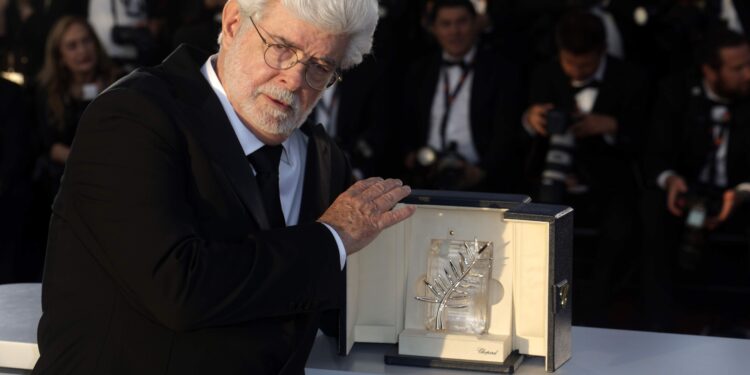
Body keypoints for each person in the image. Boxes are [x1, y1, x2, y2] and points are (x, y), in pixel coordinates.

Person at [32, 0, 415, 374]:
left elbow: (337, 305)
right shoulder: (131, 118)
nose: (294, 78)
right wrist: (330, 238)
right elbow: (177, 290)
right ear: (233, 24)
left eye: (319, 66)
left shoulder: (323, 158)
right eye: (282, 48)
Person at [522, 10, 647, 325]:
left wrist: (611, 126)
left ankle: (596, 313)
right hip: (553, 177)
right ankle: (538, 308)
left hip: (609, 183)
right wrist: (531, 120)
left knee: (622, 231)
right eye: (570, 63)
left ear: (602, 51)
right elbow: (519, 136)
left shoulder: (630, 78)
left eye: (586, 65)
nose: (577, 72)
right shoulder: (544, 74)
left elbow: (650, 139)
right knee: (536, 228)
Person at [642, 27, 750, 331]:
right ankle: (657, 329)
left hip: (739, 193)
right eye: (738, 68)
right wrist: (670, 180)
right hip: (688, 191)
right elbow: (653, 153)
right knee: (650, 212)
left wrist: (742, 192)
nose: (748, 74)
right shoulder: (675, 91)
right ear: (710, 71)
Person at [398, 0, 525, 192]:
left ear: (476, 23)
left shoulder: (500, 71)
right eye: (446, 24)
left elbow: (506, 130)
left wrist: (483, 170)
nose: (454, 31)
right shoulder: (419, 71)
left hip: (484, 182)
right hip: (426, 179)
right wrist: (411, 155)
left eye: (461, 22)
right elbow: (404, 122)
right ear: (433, 29)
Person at [35, 16, 121, 199]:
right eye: (72, 46)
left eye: (86, 41)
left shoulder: (119, 82)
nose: (83, 50)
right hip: (69, 176)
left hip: (115, 171)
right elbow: (52, 146)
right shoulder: (49, 93)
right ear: (60, 57)